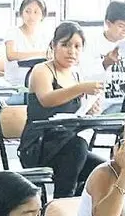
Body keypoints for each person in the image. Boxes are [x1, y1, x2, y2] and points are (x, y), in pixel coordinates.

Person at [20, 21, 106, 198]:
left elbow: (77, 112)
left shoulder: (76, 74)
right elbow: (46, 100)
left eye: (77, 46)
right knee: (78, 147)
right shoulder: (42, 70)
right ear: (53, 45)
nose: (71, 51)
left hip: (66, 143)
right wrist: (80, 88)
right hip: (39, 144)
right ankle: (61, 205)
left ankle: (75, 207)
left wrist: (91, 109)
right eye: (65, 45)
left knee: (105, 170)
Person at [80, 0, 125, 114]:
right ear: (108, 23)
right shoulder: (91, 44)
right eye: (121, 26)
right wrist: (105, 64)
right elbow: (83, 76)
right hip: (101, 104)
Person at [4, 0, 50, 94]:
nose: (31, 16)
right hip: (14, 84)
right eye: (27, 11)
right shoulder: (13, 32)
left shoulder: (44, 36)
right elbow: (10, 55)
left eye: (36, 12)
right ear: (21, 13)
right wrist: (40, 53)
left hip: (37, 85)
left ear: (42, 16)